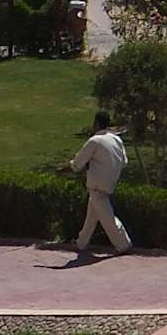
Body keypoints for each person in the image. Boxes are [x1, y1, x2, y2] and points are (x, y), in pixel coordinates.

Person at [64, 109, 132, 255]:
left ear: (96, 123)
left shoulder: (94, 141)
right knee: (92, 214)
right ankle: (81, 243)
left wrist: (62, 169)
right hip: (110, 182)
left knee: (108, 218)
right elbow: (124, 162)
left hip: (97, 184)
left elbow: (77, 164)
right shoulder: (117, 140)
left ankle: (124, 244)